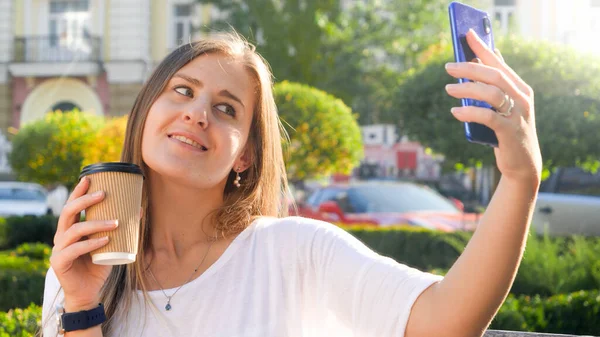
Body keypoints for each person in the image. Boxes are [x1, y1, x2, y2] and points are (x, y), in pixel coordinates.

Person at [41, 29, 542, 337]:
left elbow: (445, 325)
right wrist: (82, 307)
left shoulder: (294, 251)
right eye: (182, 91)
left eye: (225, 108)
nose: (196, 114)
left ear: (246, 155)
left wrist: (520, 177)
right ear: (147, 110)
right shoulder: (81, 268)